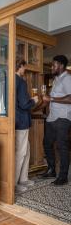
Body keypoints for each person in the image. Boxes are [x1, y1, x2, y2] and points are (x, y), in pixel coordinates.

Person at [40, 55, 71, 185]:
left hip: (63, 118)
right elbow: (49, 100)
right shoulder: (56, 80)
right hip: (52, 118)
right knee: (47, 143)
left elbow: (70, 98)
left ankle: (63, 176)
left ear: (61, 65)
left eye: (54, 65)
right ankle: (52, 169)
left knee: (62, 147)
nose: (52, 67)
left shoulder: (68, 79)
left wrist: (51, 99)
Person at [15, 59, 39, 193]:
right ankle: (14, 184)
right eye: (24, 68)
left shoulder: (8, 80)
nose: (25, 70)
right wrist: (33, 101)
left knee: (26, 150)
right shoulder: (21, 81)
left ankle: (23, 178)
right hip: (22, 122)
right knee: (20, 152)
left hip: (15, 121)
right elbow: (24, 104)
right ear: (20, 67)